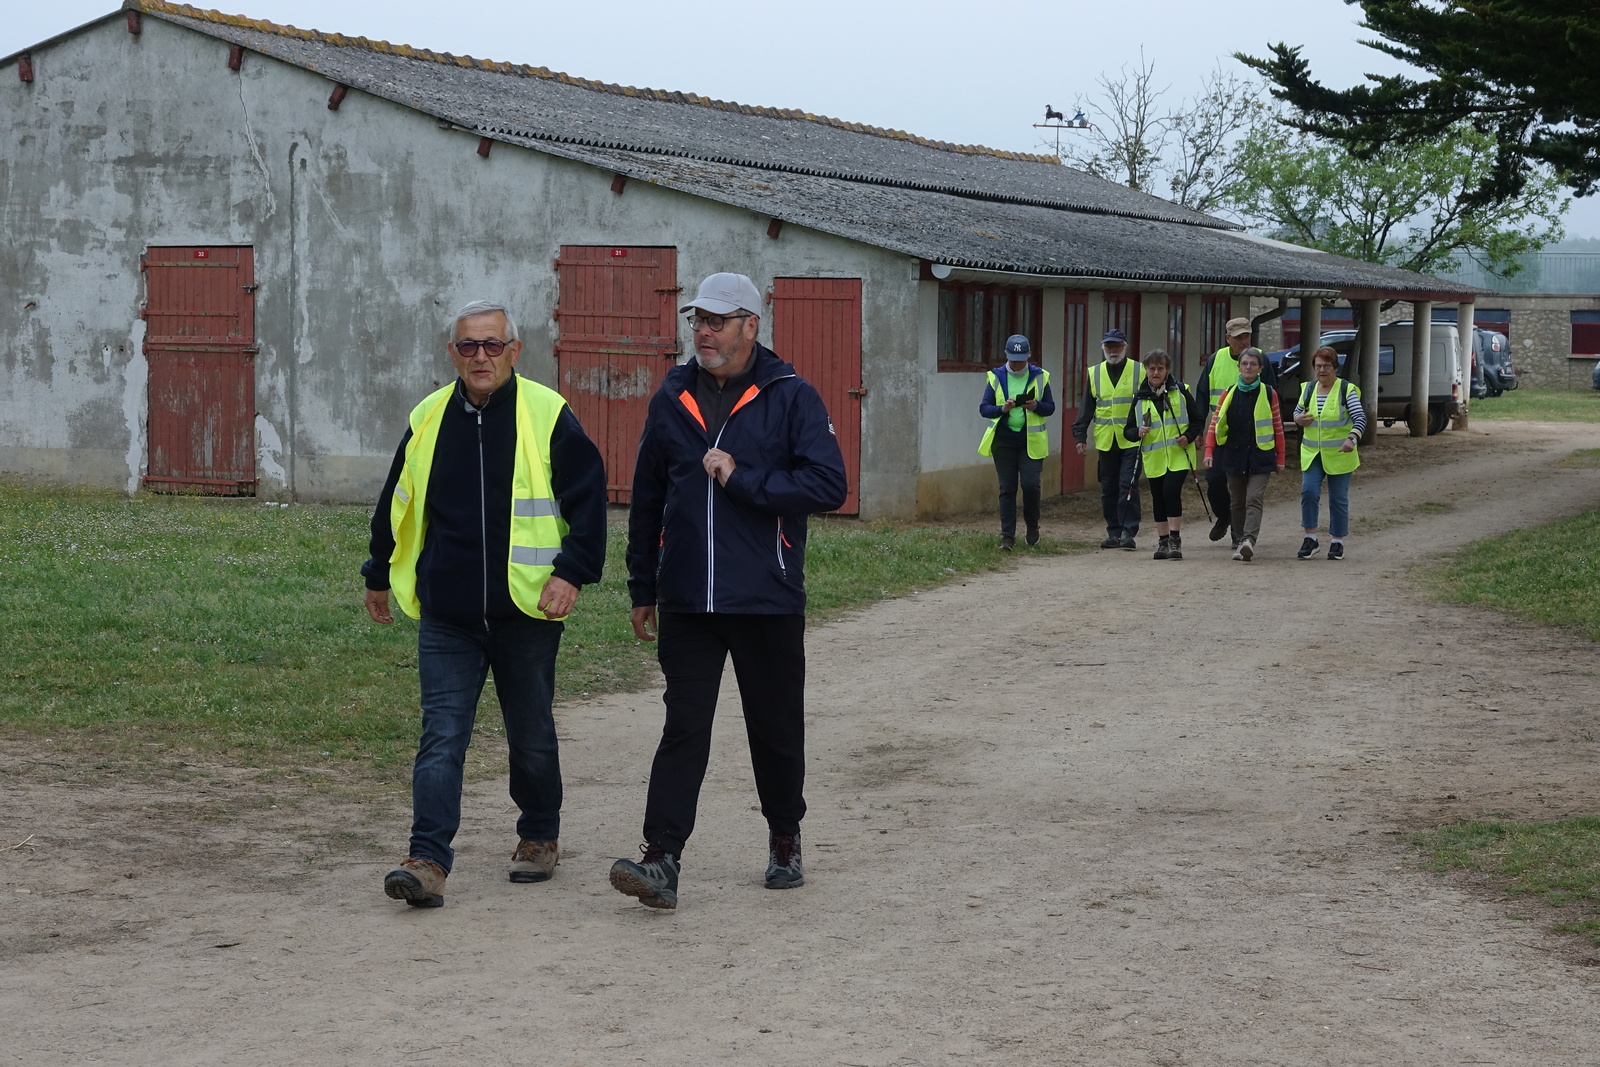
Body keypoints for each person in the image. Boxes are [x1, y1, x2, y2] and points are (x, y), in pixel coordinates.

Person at [611, 273, 848, 910]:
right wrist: (643, 585)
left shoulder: (791, 395)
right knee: (684, 727)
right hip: (688, 598)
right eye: (698, 321)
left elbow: (828, 485)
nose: (704, 333)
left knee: (774, 727)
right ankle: (660, 858)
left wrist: (744, 478)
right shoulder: (671, 397)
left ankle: (784, 837)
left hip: (766, 596)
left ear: (751, 325)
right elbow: (648, 498)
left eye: (717, 321)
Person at [362, 300, 608, 909]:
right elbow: (397, 498)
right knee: (442, 735)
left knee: (531, 733)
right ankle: (427, 860)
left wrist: (572, 573)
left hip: (525, 610)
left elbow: (589, 501)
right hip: (448, 614)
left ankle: (539, 835)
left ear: (514, 351)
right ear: (453, 353)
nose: (481, 356)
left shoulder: (547, 413)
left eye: (492, 345)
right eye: (469, 345)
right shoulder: (427, 416)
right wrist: (377, 570)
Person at [1195, 317, 1277, 546]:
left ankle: (1239, 536)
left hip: (1252, 436)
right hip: (1222, 433)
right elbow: (1202, 395)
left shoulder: (1261, 359)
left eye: (1247, 336)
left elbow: (1273, 395)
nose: (1244, 340)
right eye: (1239, 337)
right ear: (1228, 339)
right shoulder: (1215, 360)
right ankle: (1224, 516)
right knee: (1214, 479)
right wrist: (1198, 430)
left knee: (1244, 489)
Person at [1203, 348, 1285, 562]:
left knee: (1254, 498)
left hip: (1261, 455)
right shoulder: (1228, 393)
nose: (1248, 367)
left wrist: (1280, 458)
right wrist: (1209, 451)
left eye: (1253, 364)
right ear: (1239, 367)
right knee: (1237, 502)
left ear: (1260, 369)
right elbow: (1215, 425)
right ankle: (1239, 540)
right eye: (1245, 363)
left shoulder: (1269, 393)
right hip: (1234, 454)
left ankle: (1248, 540)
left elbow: (1278, 427)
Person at [978, 334, 1056, 550]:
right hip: (1004, 441)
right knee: (1007, 488)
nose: (1017, 364)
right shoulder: (996, 377)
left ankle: (1032, 525)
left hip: (1031, 441)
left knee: (1031, 484)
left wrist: (1036, 406)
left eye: (1021, 361)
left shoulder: (1041, 376)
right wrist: (1003, 408)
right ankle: (1007, 536)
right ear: (1007, 356)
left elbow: (1050, 407)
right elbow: (984, 408)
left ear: (1028, 357)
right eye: (1013, 360)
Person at [1124, 349, 1203, 561]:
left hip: (1179, 455)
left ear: (1167, 370)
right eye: (1152, 368)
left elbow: (1197, 420)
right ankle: (1162, 540)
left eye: (1160, 368)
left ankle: (1175, 539)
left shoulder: (1181, 390)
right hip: (1154, 458)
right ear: (1146, 370)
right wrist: (1137, 432)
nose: (1156, 372)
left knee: (1170, 492)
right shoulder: (1139, 398)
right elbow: (1127, 431)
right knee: (1158, 497)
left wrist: (1188, 436)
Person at [1071, 328, 1146, 550]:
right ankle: (1113, 532)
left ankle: (1128, 531)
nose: (1113, 351)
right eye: (1109, 346)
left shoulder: (1139, 371)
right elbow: (1086, 407)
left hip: (1132, 439)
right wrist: (1080, 436)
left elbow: (1149, 401)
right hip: (1106, 440)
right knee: (1109, 488)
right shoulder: (1095, 373)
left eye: (1117, 346)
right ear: (1103, 349)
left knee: (1127, 485)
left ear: (1125, 348)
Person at [1293, 346, 1367, 560]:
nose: (1321, 370)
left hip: (1339, 454)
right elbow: (1297, 412)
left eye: (1326, 366)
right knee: (1309, 492)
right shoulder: (1308, 389)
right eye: (1318, 366)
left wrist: (1351, 439)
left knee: (1337, 498)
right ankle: (1310, 538)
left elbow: (1360, 418)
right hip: (1312, 453)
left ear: (1335, 367)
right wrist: (1298, 419)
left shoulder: (1346, 390)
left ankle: (1337, 541)